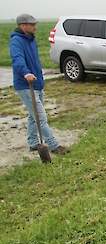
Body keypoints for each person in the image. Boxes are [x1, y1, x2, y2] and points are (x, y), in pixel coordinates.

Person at [9, 14, 69, 155]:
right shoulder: (16, 41)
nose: (35, 27)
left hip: (36, 84)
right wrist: (26, 73)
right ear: (23, 26)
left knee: (33, 116)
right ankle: (54, 146)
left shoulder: (31, 40)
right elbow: (17, 60)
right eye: (32, 25)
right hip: (25, 85)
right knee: (41, 118)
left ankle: (33, 142)